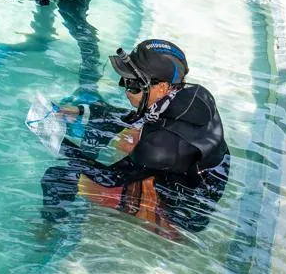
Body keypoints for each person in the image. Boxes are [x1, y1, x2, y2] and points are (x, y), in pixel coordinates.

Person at [39, 39, 230, 235]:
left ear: (162, 87)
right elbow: (137, 118)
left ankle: (47, 233)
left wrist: (57, 141)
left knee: (58, 179)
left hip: (180, 215)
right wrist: (82, 111)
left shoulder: (159, 148)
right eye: (125, 80)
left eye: (132, 85)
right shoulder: (194, 96)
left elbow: (109, 178)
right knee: (121, 132)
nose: (125, 89)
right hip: (200, 179)